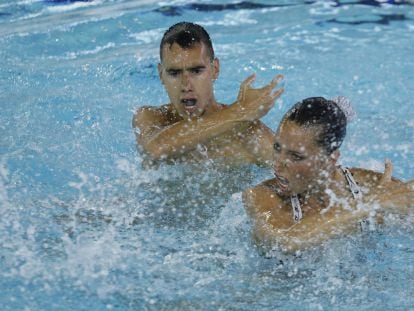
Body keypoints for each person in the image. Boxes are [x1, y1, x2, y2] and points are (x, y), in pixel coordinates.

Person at [242, 96, 414, 254]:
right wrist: (369, 207)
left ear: (331, 159)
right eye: (277, 148)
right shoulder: (260, 196)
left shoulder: (372, 186)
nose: (278, 164)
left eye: (296, 156)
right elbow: (283, 242)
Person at [132, 22, 283, 167]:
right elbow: (155, 150)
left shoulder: (249, 135)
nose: (185, 85)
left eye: (197, 71)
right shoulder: (151, 117)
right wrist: (240, 111)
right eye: (174, 73)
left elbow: (297, 175)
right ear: (161, 75)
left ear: (215, 69)